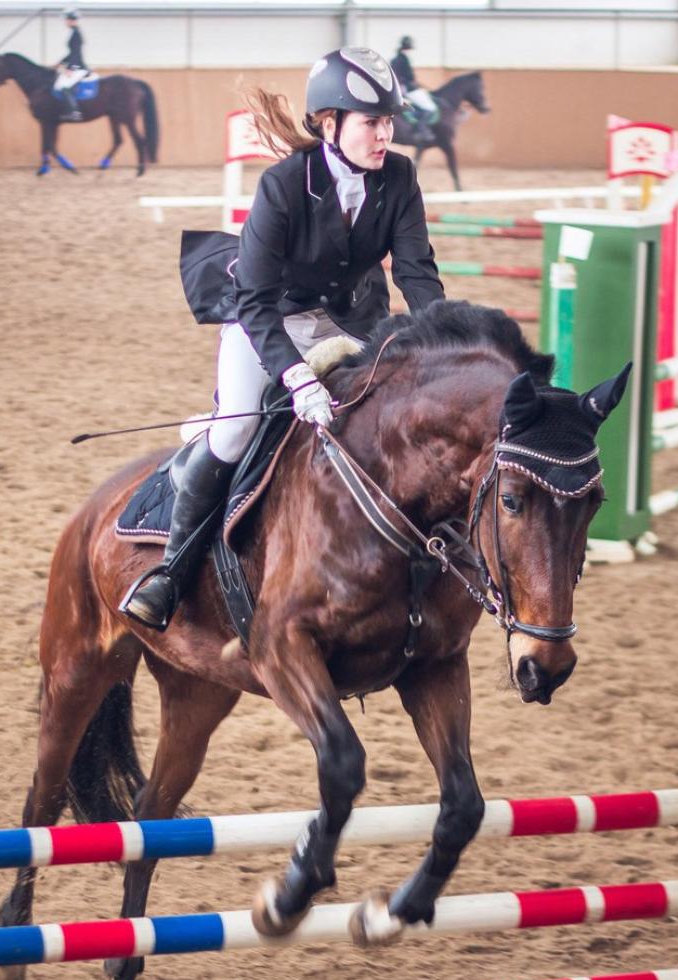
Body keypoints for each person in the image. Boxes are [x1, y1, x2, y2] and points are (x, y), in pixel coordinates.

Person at [120, 46, 445, 630]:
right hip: (266, 317)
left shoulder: (399, 176)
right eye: (372, 122)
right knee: (240, 425)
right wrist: (295, 377)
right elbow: (254, 299)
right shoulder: (283, 185)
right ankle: (171, 570)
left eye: (389, 122)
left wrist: (443, 342)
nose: (385, 134)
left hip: (348, 320)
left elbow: (416, 271)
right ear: (330, 123)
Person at [390, 36, 436, 145]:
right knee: (430, 108)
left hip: (399, 88)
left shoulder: (395, 59)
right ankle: (421, 130)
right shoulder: (404, 59)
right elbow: (408, 77)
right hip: (407, 89)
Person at [53, 9, 86, 122]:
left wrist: (70, 68)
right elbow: (71, 53)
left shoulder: (76, 34)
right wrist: (61, 62)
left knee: (63, 86)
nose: (65, 22)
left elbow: (76, 53)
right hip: (75, 64)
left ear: (71, 20)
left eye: (67, 20)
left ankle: (74, 112)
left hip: (78, 66)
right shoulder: (73, 32)